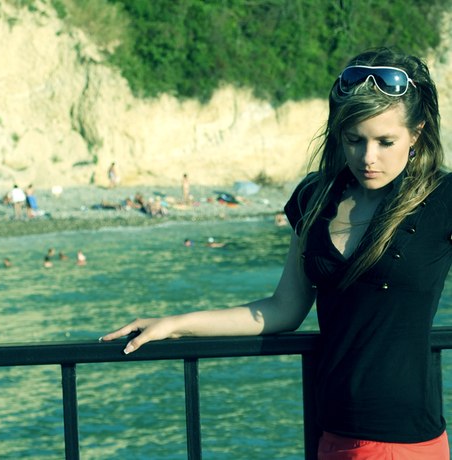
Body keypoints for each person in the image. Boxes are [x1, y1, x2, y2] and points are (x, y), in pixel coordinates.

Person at [100, 48, 452, 458]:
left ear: (417, 133)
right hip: (331, 434)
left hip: (404, 441)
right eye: (354, 140)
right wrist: (177, 324)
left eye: (385, 142)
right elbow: (284, 308)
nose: (368, 157)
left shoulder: (442, 198)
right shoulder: (315, 196)